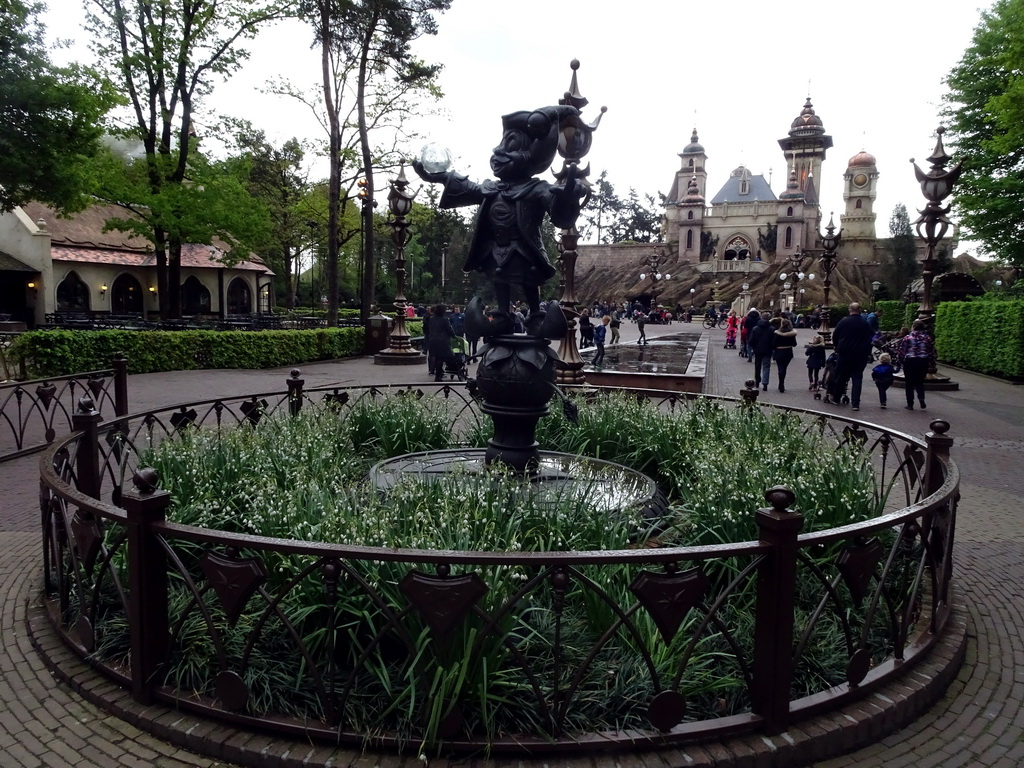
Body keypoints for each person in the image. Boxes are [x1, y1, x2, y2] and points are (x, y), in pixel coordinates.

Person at [412, 104, 585, 336]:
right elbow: (467, 187)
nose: (498, 152)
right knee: (500, 279)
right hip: (497, 249)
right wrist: (440, 176)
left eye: (509, 146)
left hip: (525, 249)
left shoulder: (536, 188)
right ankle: (502, 315)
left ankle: (536, 316)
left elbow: (556, 207)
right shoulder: (492, 189)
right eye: (501, 145)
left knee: (529, 281)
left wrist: (568, 197)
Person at [830, 302, 874, 411]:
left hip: (845, 353)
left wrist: (836, 346)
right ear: (859, 310)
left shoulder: (844, 321)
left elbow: (835, 335)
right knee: (857, 378)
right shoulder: (865, 323)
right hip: (860, 354)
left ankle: (836, 398)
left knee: (841, 376)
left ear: (850, 310)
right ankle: (855, 403)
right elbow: (870, 337)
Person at [897, 319, 935, 411]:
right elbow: (930, 351)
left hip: (910, 360)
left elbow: (902, 351)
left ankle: (910, 404)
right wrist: (929, 361)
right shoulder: (927, 338)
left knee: (909, 383)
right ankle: (921, 398)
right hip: (922, 361)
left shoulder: (907, 338)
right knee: (920, 382)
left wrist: (901, 361)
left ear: (913, 327)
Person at [425, 304, 457, 382]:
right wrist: (454, 336)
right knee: (441, 358)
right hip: (442, 341)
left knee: (435, 357)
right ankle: (438, 376)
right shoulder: (445, 319)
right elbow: (450, 330)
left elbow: (427, 328)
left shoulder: (431, 319)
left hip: (432, 340)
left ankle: (437, 373)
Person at [747, 311, 775, 390]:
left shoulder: (755, 328)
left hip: (758, 350)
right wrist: (772, 348)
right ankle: (765, 383)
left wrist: (754, 347)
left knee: (757, 366)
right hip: (767, 350)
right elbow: (773, 341)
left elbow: (751, 340)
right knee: (766, 366)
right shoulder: (771, 329)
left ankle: (757, 381)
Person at [772, 318, 798, 392]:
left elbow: (773, 344)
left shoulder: (777, 333)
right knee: (784, 367)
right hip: (788, 352)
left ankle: (781, 382)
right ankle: (782, 382)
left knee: (780, 368)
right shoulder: (791, 334)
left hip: (779, 352)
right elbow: (794, 344)